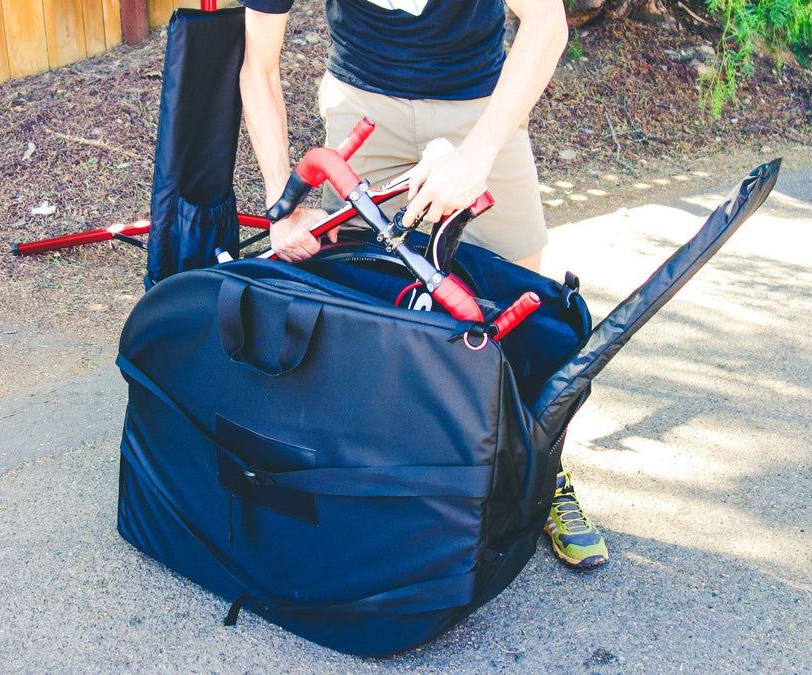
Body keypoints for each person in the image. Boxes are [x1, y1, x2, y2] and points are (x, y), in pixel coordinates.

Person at [237, 0, 609, 569]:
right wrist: (280, 206)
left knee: (520, 307)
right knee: (367, 305)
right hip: (363, 103)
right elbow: (258, 66)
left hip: (478, 106)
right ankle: (383, 478)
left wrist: (479, 153)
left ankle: (541, 472)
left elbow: (546, 23)